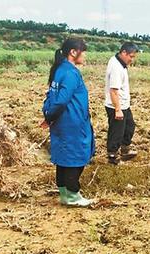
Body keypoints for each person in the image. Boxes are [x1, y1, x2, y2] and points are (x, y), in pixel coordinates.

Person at [42, 38, 95, 207]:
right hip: (72, 123)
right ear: (73, 52)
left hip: (61, 122)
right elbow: (61, 101)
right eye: (83, 52)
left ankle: (65, 194)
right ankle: (73, 195)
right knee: (75, 156)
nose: (85, 56)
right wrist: (49, 116)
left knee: (63, 156)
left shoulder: (59, 70)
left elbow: (50, 96)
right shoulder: (71, 73)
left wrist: (48, 116)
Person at [104, 42, 139, 165]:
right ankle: (112, 156)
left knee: (129, 127)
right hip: (116, 105)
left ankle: (125, 150)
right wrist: (117, 109)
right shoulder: (116, 68)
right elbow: (113, 90)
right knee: (116, 132)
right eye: (131, 56)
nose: (132, 59)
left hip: (123, 104)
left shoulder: (119, 62)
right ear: (123, 52)